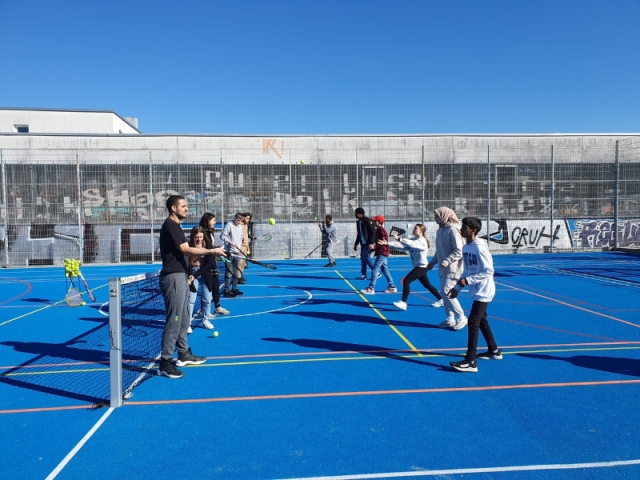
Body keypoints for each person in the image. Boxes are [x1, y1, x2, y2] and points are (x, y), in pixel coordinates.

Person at [157, 195, 226, 379]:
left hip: (180, 276)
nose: (187, 208)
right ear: (173, 208)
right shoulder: (171, 225)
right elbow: (186, 250)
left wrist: (188, 273)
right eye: (183, 206)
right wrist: (212, 250)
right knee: (174, 320)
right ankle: (165, 362)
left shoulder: (176, 226)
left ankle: (183, 353)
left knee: (184, 318)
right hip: (172, 278)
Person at [447, 217, 501, 372]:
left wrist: (468, 281)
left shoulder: (480, 248)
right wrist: (457, 287)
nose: (461, 229)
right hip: (476, 290)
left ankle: (470, 361)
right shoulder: (466, 247)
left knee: (473, 322)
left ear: (473, 230)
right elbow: (467, 270)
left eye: (464, 227)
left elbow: (489, 270)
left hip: (484, 290)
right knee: (482, 320)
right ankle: (494, 350)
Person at [427, 207, 467, 330]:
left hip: (453, 268)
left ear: (444, 216)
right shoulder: (440, 230)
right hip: (443, 268)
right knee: (444, 294)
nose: (435, 218)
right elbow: (439, 250)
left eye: (437, 216)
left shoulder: (453, 229)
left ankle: (461, 317)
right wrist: (432, 262)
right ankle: (450, 318)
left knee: (446, 292)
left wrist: (447, 261)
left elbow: (459, 250)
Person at [390, 224, 443, 310]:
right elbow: (403, 246)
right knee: (427, 285)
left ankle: (403, 302)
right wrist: (387, 244)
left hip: (422, 266)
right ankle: (441, 300)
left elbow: (412, 244)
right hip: (420, 266)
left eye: (416, 228)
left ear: (421, 231)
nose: (414, 229)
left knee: (406, 281)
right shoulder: (413, 240)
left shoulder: (422, 241)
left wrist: (399, 238)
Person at [198, 212, 231, 317]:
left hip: (212, 262)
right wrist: (215, 251)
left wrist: (219, 250)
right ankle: (203, 311)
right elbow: (204, 248)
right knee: (207, 288)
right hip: (205, 263)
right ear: (207, 221)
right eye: (213, 220)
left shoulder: (210, 232)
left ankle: (217, 307)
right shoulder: (202, 232)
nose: (215, 222)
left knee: (216, 285)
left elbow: (211, 247)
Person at [360, 215, 397, 294]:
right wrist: (372, 249)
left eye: (375, 221)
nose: (373, 222)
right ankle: (392, 286)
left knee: (375, 269)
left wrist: (374, 247)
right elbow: (379, 244)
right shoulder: (378, 230)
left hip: (382, 253)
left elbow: (383, 244)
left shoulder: (382, 231)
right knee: (384, 269)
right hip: (381, 252)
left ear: (379, 222)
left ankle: (371, 288)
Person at [220, 212, 245, 297]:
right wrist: (230, 242)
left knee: (236, 271)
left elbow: (240, 238)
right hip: (229, 252)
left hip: (237, 253)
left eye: (240, 221)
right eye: (238, 220)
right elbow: (222, 236)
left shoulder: (240, 227)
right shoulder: (229, 225)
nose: (239, 222)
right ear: (235, 218)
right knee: (228, 271)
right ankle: (226, 289)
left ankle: (234, 288)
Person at [353, 207, 376, 280]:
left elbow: (373, 232)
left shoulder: (367, 220)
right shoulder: (358, 222)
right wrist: (356, 244)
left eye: (356, 213)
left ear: (360, 214)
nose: (355, 215)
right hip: (363, 243)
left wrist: (371, 242)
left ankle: (376, 272)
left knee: (366, 257)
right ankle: (363, 275)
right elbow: (359, 234)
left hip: (368, 242)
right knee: (363, 258)